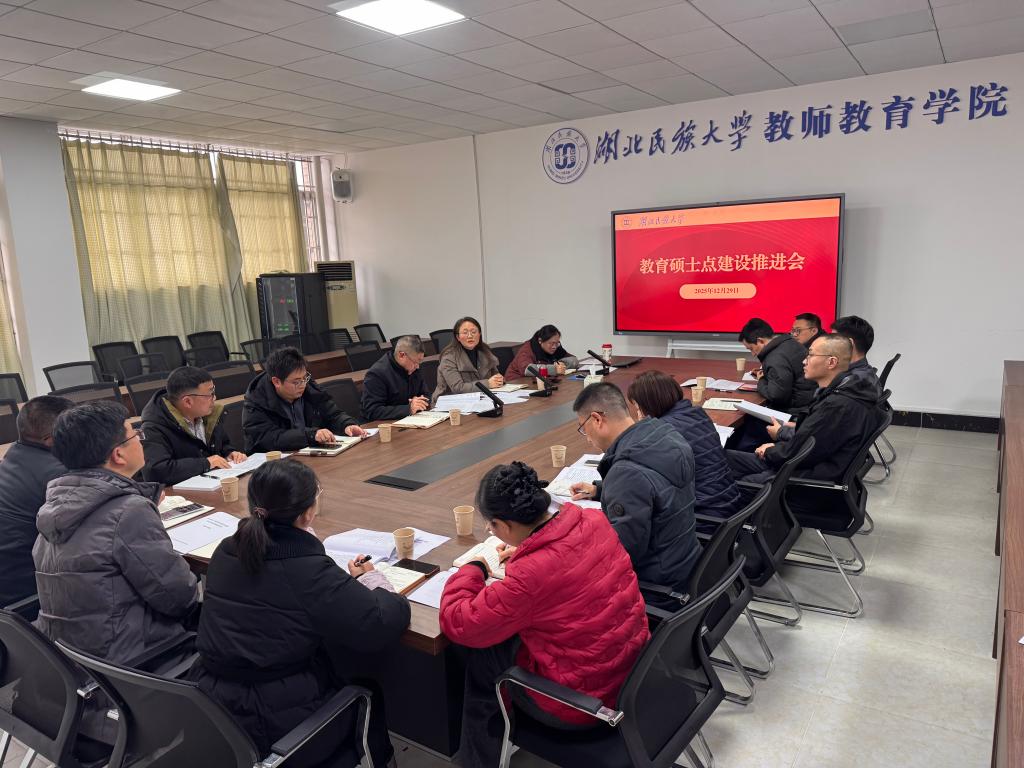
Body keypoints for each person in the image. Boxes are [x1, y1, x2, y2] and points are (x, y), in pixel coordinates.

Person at [191, 460, 410, 768]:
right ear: (308, 513)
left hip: (212, 710)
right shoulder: (307, 571)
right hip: (277, 727)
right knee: (367, 690)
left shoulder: (228, 550)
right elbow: (382, 621)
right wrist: (371, 579)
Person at [440, 462, 649, 768]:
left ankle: (477, 760)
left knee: (485, 656)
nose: (490, 531)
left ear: (505, 526)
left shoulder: (531, 575)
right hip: (634, 675)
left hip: (582, 705)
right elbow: (563, 565)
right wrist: (528, 550)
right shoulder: (593, 520)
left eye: (491, 525)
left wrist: (473, 569)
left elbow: (459, 622)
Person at [34, 402, 199, 739]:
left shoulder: (55, 504)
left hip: (68, 670)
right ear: (118, 455)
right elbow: (179, 597)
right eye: (135, 434)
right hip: (126, 674)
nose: (141, 439)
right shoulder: (127, 512)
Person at [568, 383, 702, 607]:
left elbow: (621, 552)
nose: (587, 438)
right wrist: (602, 490)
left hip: (658, 590)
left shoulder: (625, 472)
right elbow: (658, 490)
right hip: (688, 566)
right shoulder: (665, 435)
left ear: (597, 419)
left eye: (583, 428)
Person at [726, 334, 882, 483]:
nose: (804, 361)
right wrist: (777, 447)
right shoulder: (842, 391)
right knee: (723, 458)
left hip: (801, 478)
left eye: (811, 355)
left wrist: (770, 450)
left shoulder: (836, 405)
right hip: (801, 466)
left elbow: (799, 453)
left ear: (831, 362)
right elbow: (805, 443)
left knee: (729, 475)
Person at [626, 371, 741, 522]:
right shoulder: (697, 413)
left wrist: (644, 426)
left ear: (649, 404)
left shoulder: (664, 432)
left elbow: (645, 483)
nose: (638, 414)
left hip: (704, 516)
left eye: (638, 407)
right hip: (730, 504)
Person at [0, 396, 73, 618]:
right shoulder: (59, 476)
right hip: (33, 598)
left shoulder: (14, 454)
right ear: (51, 440)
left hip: (8, 591)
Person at [243, 346, 366, 453]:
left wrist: (347, 425)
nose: (303, 385)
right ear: (276, 382)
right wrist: (310, 435)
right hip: (275, 463)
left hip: (310, 453)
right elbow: (268, 438)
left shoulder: (309, 387)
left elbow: (333, 414)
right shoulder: (257, 400)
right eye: (296, 382)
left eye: (305, 378)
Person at [141, 365, 247, 486]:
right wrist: (206, 463)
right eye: (210, 394)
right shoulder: (154, 427)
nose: (214, 398)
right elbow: (156, 471)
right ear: (188, 402)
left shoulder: (208, 415)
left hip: (214, 483)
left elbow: (222, 444)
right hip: (181, 493)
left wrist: (230, 453)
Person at [740, 317, 817, 413]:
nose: (753, 354)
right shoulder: (790, 342)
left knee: (746, 416)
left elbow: (776, 397)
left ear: (760, 341)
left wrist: (761, 380)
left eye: (751, 348)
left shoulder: (775, 358)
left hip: (795, 411)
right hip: (810, 403)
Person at [360, 335, 431, 421]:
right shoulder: (377, 374)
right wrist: (408, 409)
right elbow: (372, 411)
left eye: (420, 362)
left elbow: (426, 394)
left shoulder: (414, 369)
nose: (418, 366)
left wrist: (420, 402)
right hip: (382, 425)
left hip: (410, 420)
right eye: (415, 362)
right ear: (401, 355)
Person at [432, 316, 503, 401]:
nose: (470, 336)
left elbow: (495, 375)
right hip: (449, 401)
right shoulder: (449, 357)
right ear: (458, 337)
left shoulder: (484, 351)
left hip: (479, 398)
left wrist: (498, 380)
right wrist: (488, 384)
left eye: (473, 332)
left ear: (479, 334)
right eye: (465, 333)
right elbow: (458, 388)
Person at [504, 324, 579, 381]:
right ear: (540, 341)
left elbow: (573, 360)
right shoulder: (527, 349)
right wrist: (554, 369)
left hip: (539, 381)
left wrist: (561, 364)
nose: (554, 347)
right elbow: (527, 369)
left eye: (557, 343)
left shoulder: (556, 347)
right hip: (517, 383)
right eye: (551, 343)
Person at [831, 315, 880, 390]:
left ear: (849, 343)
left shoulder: (852, 384)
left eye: (832, 340)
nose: (829, 345)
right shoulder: (863, 374)